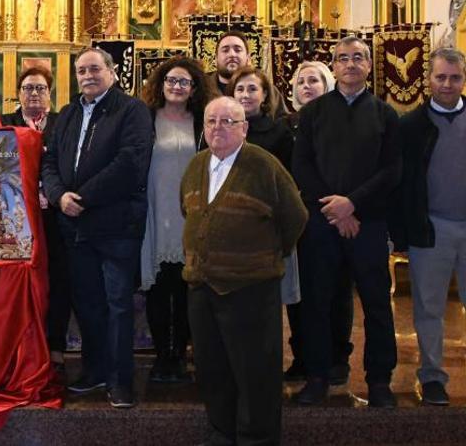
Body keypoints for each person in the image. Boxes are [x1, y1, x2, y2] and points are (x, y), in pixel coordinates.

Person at [181, 96, 307, 446]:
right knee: (213, 369)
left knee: (255, 373)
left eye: (227, 121)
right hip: (203, 288)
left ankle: (257, 439)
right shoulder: (196, 165)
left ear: (244, 128)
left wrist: (263, 257)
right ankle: (222, 432)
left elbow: (295, 217)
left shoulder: (263, 165)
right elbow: (189, 211)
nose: (217, 128)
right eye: (211, 121)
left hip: (250, 290)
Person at [41, 47, 153, 408]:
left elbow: (130, 163)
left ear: (112, 72)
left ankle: (121, 381)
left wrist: (82, 198)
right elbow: (49, 163)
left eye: (94, 69)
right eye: (80, 71)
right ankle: (95, 370)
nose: (87, 76)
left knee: (118, 303)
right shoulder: (68, 113)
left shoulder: (132, 110)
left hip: (115, 224)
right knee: (87, 303)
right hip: (74, 226)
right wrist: (60, 197)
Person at [292, 36, 401, 408]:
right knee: (317, 303)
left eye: (358, 58)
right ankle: (318, 376)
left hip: (368, 223)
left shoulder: (385, 114)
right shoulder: (313, 113)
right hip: (322, 223)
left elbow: (391, 170)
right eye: (343, 58)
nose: (351, 64)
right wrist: (335, 209)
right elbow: (302, 166)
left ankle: (380, 380)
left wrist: (353, 204)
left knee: (376, 305)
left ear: (369, 65)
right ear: (334, 66)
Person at [391, 47, 466, 406]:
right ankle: (433, 376)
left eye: (454, 77)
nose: (447, 84)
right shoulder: (410, 125)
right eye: (441, 77)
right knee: (429, 308)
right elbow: (400, 183)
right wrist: (402, 233)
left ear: (463, 79)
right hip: (431, 228)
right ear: (428, 79)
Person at [138, 56, 212, 383]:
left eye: (184, 82)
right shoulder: (146, 119)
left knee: (185, 291)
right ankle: (161, 356)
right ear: (160, 84)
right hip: (156, 212)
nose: (177, 87)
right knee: (157, 290)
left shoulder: (202, 121)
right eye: (171, 81)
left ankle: (179, 355)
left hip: (191, 215)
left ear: (194, 87)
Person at [284, 60, 354, 383]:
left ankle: (338, 357)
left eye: (314, 80)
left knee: (335, 291)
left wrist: (335, 208)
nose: (307, 86)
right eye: (301, 82)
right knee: (299, 293)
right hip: (294, 221)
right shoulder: (285, 125)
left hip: (331, 215)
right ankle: (303, 357)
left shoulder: (339, 120)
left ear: (327, 85)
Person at [0, 66, 71, 375]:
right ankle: (18, 344)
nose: (34, 94)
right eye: (28, 88)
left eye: (40, 88)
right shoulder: (5, 124)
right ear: (18, 93)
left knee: (58, 277)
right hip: (16, 217)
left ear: (50, 94)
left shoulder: (62, 124)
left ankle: (54, 344)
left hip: (53, 214)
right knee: (19, 279)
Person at [207, 30, 286, 118]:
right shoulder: (203, 89)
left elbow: (283, 122)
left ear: (248, 58)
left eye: (237, 50)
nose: (232, 54)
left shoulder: (266, 88)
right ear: (215, 59)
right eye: (225, 50)